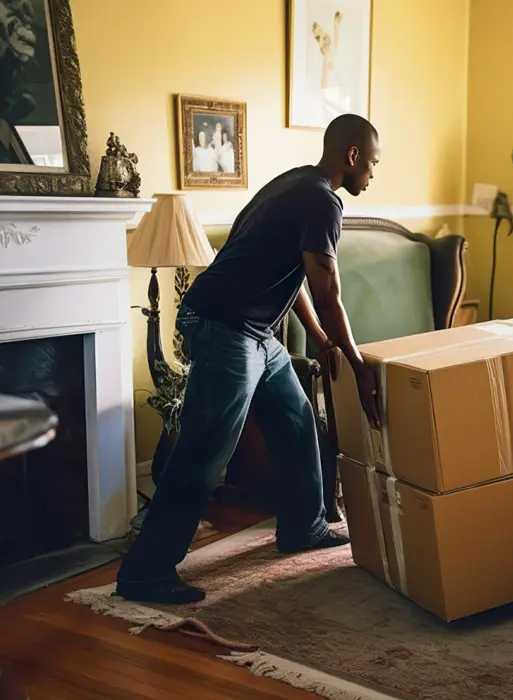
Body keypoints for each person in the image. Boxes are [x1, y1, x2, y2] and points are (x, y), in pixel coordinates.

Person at [116, 114, 383, 604]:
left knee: (297, 420)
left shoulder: (295, 184)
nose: (372, 173)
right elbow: (328, 289)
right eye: (371, 163)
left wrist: (321, 338)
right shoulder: (323, 200)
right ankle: (145, 571)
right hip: (222, 325)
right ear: (351, 155)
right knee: (205, 449)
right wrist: (358, 363)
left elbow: (297, 274)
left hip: (254, 331)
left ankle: (304, 527)